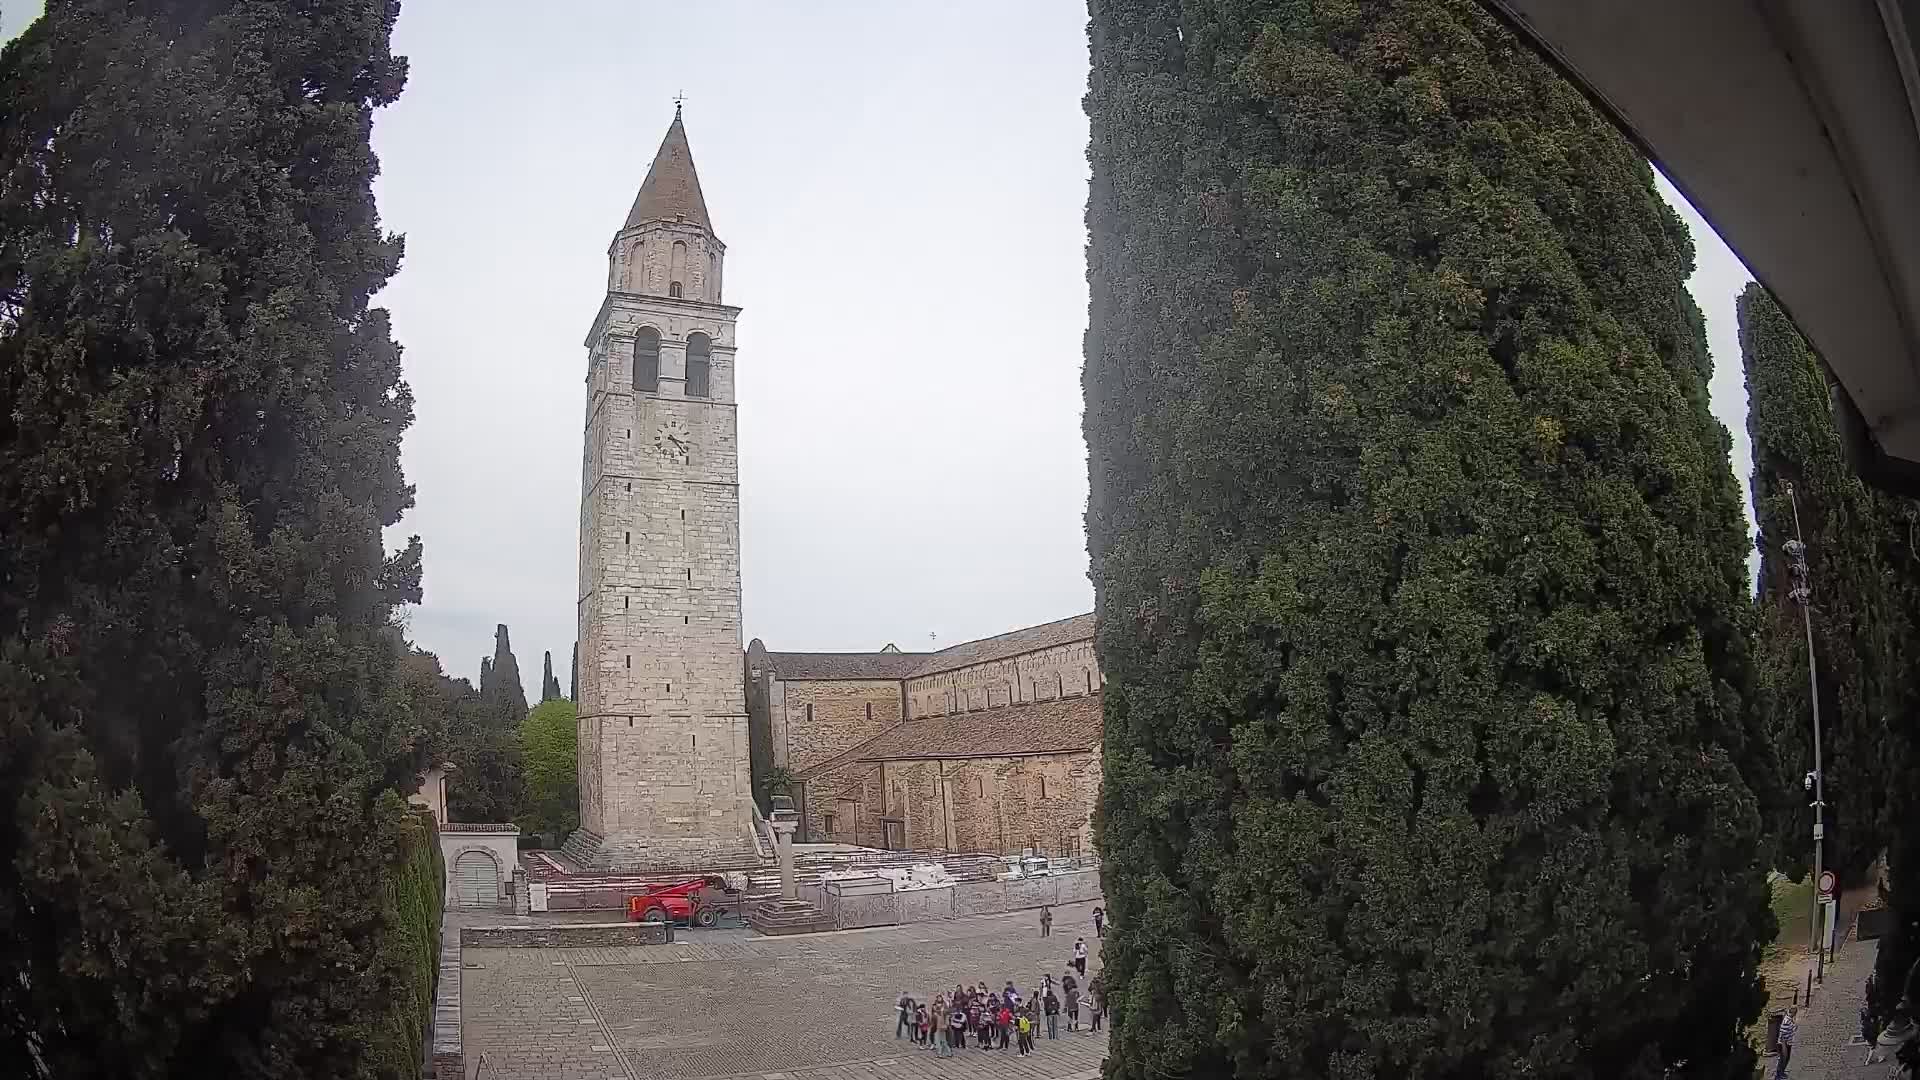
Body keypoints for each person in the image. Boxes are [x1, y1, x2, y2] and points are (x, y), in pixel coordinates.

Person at [1776, 1006, 1798, 1079]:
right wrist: (1784, 1046)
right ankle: (1779, 1074)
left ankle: (1781, 1072)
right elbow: (1783, 1034)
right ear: (1793, 1013)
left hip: (1788, 1043)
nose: (1795, 1015)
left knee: (1786, 1059)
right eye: (1795, 1013)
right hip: (1784, 1044)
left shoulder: (1790, 1019)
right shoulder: (1786, 1021)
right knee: (1783, 1059)